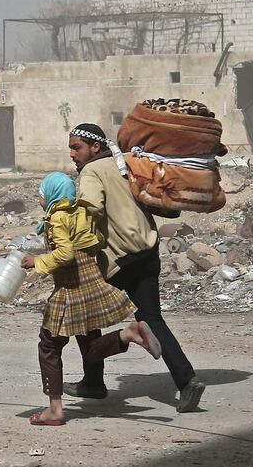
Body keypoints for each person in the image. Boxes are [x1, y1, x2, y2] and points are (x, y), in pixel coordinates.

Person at [64, 123, 206, 413]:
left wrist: (63, 220)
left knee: (84, 314)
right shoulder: (125, 164)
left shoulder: (93, 171)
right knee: (153, 319)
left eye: (76, 147)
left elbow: (91, 206)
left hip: (121, 258)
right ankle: (187, 382)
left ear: (94, 147)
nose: (71, 154)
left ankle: (93, 381)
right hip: (148, 251)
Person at [22, 171, 162, 426]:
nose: (40, 200)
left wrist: (37, 261)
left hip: (70, 290)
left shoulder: (58, 218)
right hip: (91, 284)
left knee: (49, 346)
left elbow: (64, 255)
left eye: (41, 195)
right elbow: (97, 242)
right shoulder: (81, 212)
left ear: (51, 195)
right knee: (90, 348)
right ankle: (127, 334)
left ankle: (54, 409)